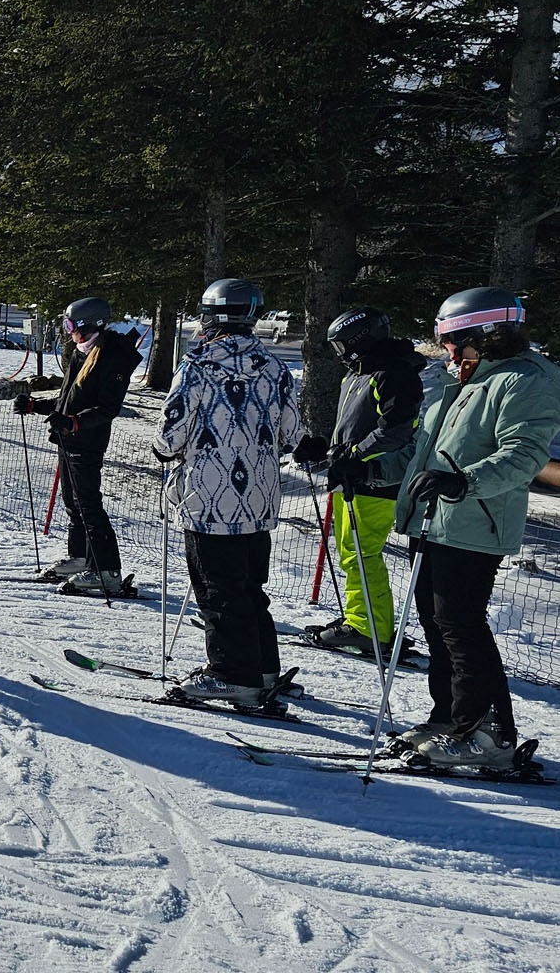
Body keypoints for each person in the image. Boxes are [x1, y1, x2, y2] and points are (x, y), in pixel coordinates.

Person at [388, 287, 560, 768]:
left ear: (488, 335)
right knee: (439, 626)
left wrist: (462, 482)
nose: (446, 350)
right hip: (436, 521)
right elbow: (426, 451)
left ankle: (489, 735)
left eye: (453, 341)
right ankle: (451, 719)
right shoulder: (464, 378)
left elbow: (523, 455)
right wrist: (368, 469)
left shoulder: (526, 380)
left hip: (474, 524)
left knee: (461, 628)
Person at [153, 279, 306, 712]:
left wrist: (164, 449)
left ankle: (232, 675)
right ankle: (262, 668)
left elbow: (172, 432)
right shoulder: (274, 367)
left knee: (218, 589)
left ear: (209, 316)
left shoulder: (198, 365)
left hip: (209, 498)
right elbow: (293, 432)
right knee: (250, 586)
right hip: (258, 499)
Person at [288, 308, 427, 655]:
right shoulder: (358, 374)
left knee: (361, 555)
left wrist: (353, 456)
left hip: (374, 479)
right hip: (353, 477)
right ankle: (361, 618)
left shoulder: (392, 372)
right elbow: (354, 428)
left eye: (341, 345)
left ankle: (369, 629)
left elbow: (395, 430)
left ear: (358, 340)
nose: (339, 353)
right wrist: (328, 449)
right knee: (353, 553)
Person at [13, 296, 143, 595]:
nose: (68, 330)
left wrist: (73, 423)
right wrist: (36, 406)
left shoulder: (112, 356)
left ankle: (107, 570)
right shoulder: (81, 353)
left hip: (88, 441)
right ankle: (81, 557)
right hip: (69, 439)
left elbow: (108, 408)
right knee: (73, 503)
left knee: (88, 506)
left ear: (87, 325)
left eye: (71, 325)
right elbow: (67, 400)